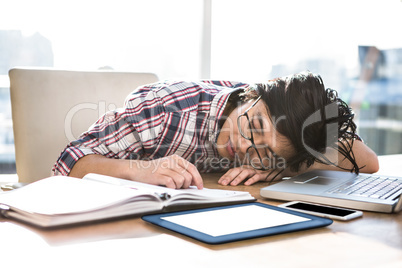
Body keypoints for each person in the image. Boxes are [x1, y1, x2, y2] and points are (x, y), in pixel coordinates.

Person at [52, 71, 379, 189]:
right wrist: (140, 169)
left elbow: (367, 160)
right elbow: (66, 163)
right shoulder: (169, 110)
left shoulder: (278, 146)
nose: (245, 146)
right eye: (254, 126)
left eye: (265, 151)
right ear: (251, 94)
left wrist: (282, 168)